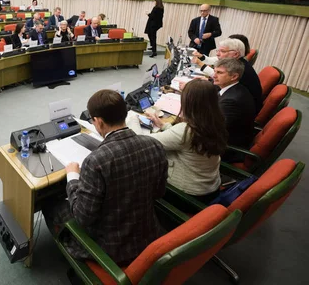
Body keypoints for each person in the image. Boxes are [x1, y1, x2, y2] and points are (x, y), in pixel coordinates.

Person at [42, 89, 167, 264]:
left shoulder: (96, 161)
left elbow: (82, 217)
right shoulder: (155, 145)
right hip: (149, 235)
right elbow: (159, 193)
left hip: (112, 249)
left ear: (99, 122)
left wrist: (72, 178)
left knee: (49, 204)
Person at [127, 80, 227, 203]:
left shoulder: (186, 130)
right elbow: (183, 140)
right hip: (209, 188)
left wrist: (132, 120)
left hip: (186, 195)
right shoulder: (215, 121)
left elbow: (141, 144)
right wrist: (163, 125)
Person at [193, 38, 262, 114]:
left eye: (222, 51)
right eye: (218, 51)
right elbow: (223, 85)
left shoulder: (238, 69)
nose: (218, 54)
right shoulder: (239, 64)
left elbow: (222, 92)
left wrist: (194, 90)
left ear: (235, 54)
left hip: (237, 111)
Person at [213, 58, 256, 160]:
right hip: (230, 138)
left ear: (234, 76)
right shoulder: (234, 89)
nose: (214, 75)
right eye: (215, 71)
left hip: (225, 149)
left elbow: (213, 129)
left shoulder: (231, 101)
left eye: (219, 73)